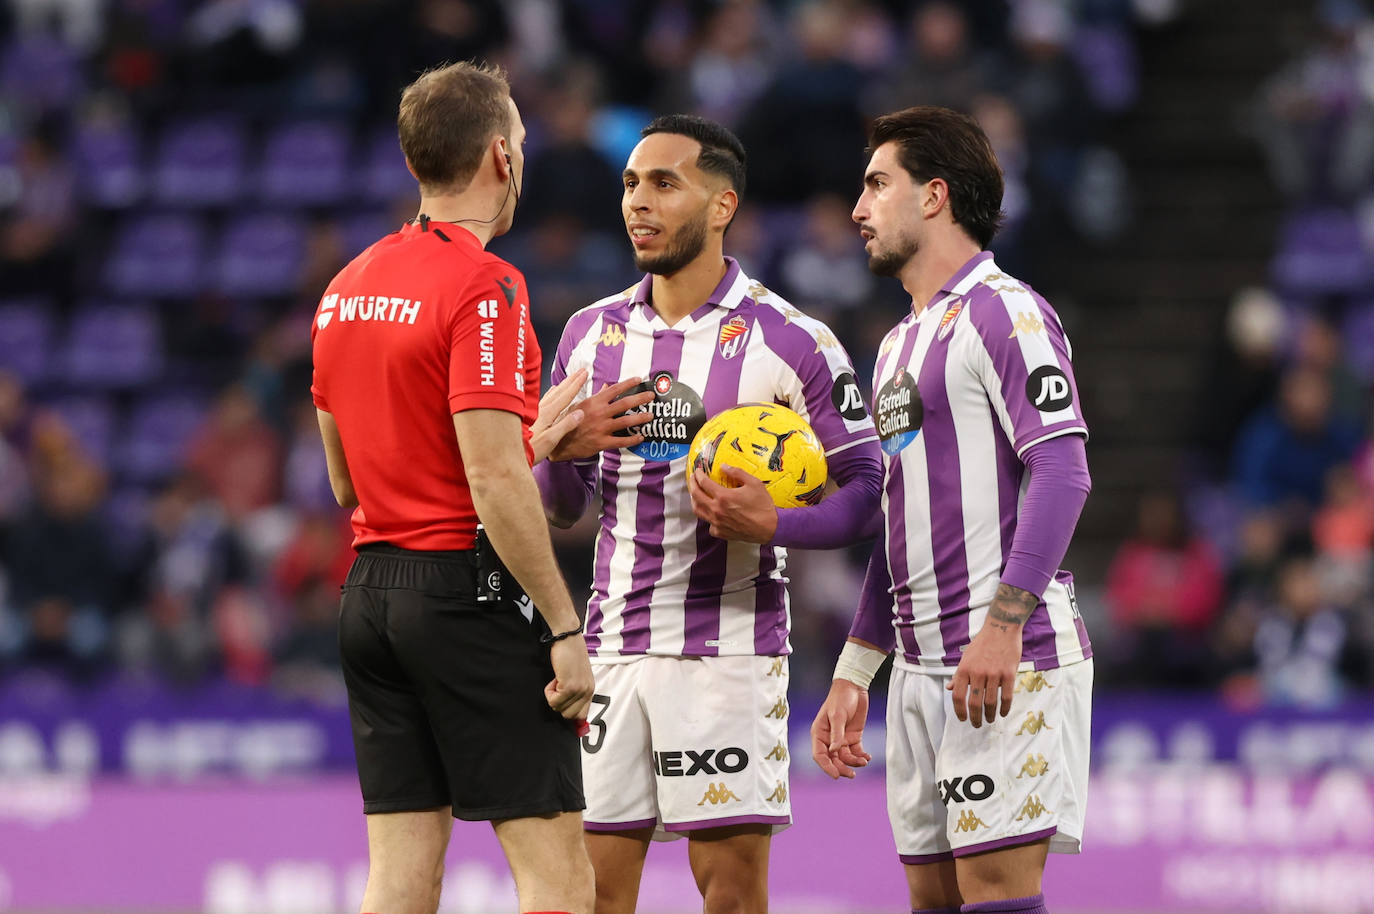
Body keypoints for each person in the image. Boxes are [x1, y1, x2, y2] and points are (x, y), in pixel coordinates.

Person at [309, 61, 640, 914]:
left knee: (401, 873)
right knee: (559, 877)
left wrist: (530, 434)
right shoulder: (485, 287)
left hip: (372, 596)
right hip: (467, 594)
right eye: (522, 141)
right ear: (501, 155)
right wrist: (564, 627)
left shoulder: (344, 288)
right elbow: (490, 479)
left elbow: (348, 480)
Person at [533, 114, 883, 914]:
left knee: (728, 896)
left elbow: (868, 490)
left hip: (726, 653)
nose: (638, 203)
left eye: (663, 183)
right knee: (591, 895)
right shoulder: (591, 334)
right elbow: (562, 509)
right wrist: (558, 452)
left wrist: (776, 524)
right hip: (611, 650)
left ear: (721, 204)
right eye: (629, 184)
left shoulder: (792, 341)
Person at [810, 106, 1094, 914]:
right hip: (920, 667)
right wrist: (856, 668)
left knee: (999, 900)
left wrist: (1004, 625)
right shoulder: (899, 344)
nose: (858, 210)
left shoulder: (1008, 311)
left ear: (934, 196)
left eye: (876, 185)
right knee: (933, 903)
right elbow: (900, 518)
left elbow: (1064, 473)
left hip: (1007, 656)